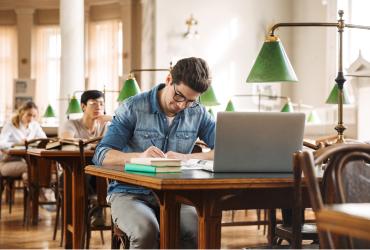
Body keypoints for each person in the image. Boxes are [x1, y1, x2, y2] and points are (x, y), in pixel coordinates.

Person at [93, 57, 215, 248]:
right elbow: (102, 154)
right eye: (179, 96)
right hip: (130, 193)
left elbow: (225, 150)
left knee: (197, 229)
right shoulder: (133, 107)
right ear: (168, 80)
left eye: (191, 101)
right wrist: (138, 157)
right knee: (146, 232)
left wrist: (187, 157)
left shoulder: (198, 112)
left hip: (179, 195)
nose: (183, 105)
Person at [59, 90, 112, 226]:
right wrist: (91, 146)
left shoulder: (106, 125)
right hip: (72, 172)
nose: (98, 107)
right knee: (84, 174)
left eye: (101, 104)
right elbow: (67, 142)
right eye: (93, 104)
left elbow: (111, 146)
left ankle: (94, 207)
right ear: (83, 106)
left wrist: (112, 118)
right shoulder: (71, 124)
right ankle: (90, 210)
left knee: (100, 173)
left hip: (97, 175)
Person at [0, 101, 46, 177]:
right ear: (22, 113)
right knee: (33, 168)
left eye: (34, 116)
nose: (31, 118)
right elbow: (1, 143)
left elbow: (44, 140)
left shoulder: (35, 125)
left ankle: (35, 188)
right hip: (7, 161)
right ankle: (38, 188)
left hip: (26, 160)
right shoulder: (10, 125)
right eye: (29, 115)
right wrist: (16, 144)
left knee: (30, 172)